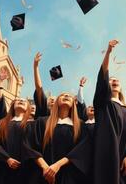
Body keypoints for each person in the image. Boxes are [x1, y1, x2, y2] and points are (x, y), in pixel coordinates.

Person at [32, 52, 92, 184]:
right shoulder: (43, 122)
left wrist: (57, 165)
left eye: (69, 96)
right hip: (43, 175)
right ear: (57, 101)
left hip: (69, 176)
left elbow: (81, 150)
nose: (66, 96)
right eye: (62, 95)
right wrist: (35, 66)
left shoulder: (81, 126)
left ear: (74, 104)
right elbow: (31, 146)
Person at [93, 40, 126, 184]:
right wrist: (108, 52)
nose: (114, 81)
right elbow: (103, 76)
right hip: (106, 159)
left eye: (117, 80)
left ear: (121, 88)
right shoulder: (103, 104)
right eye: (111, 80)